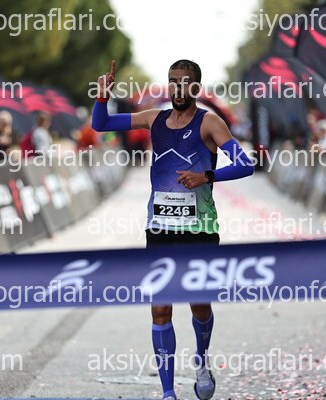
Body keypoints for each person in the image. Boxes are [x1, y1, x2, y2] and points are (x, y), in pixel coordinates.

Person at [92, 60, 253, 400]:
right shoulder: (154, 118)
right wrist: (103, 97)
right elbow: (101, 124)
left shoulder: (210, 122)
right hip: (160, 227)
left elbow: (245, 164)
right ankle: (168, 392)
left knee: (199, 305)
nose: (178, 88)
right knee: (161, 308)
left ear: (195, 87)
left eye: (184, 82)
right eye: (173, 81)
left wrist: (206, 176)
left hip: (199, 229)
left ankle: (201, 360)